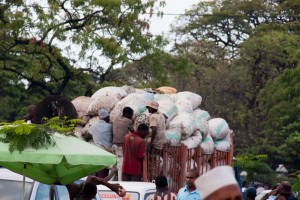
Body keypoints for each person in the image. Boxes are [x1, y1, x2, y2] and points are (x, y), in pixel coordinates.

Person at [88, 108, 113, 178]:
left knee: (100, 172)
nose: (109, 119)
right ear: (106, 117)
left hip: (98, 152)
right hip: (108, 152)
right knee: (106, 172)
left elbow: (89, 132)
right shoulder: (110, 127)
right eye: (108, 117)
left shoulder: (93, 126)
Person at [112, 106, 134, 181]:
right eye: (131, 115)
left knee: (113, 165)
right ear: (126, 114)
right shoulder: (128, 121)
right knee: (121, 167)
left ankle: (110, 181)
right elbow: (133, 132)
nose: (131, 117)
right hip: (121, 146)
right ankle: (121, 183)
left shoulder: (115, 119)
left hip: (114, 145)